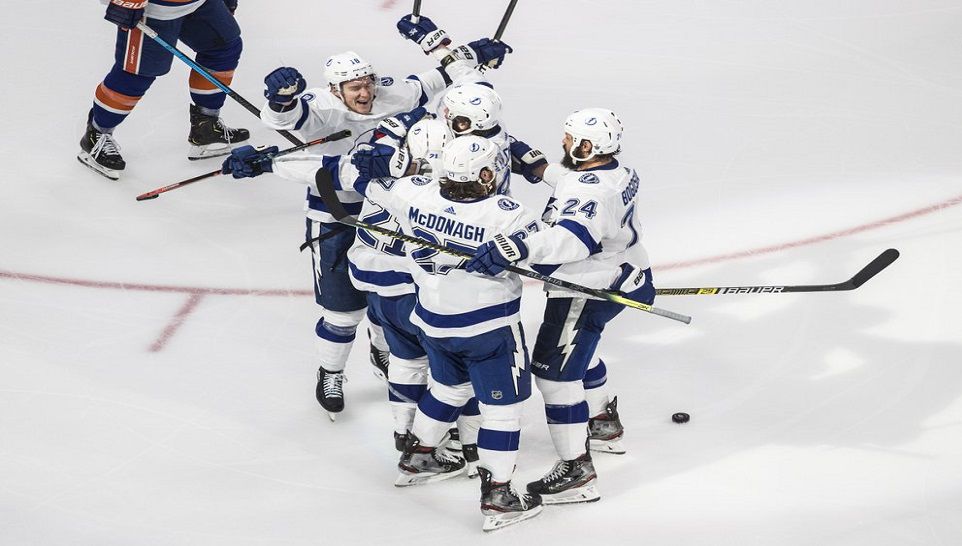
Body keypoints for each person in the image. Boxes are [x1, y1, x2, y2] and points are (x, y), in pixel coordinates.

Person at [227, 18, 513, 419]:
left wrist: (475, 55)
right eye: (354, 87)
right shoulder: (321, 109)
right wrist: (279, 104)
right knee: (342, 311)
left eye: (367, 83)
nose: (364, 93)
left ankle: (385, 351)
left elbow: (440, 77)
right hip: (337, 212)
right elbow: (289, 122)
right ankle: (331, 370)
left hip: (397, 214)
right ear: (334, 89)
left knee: (391, 301)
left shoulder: (393, 97)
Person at [348, 135, 544, 531]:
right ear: (487, 174)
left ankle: (418, 456)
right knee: (503, 413)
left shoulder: (415, 195)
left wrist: (370, 163)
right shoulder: (509, 213)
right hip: (488, 330)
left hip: (434, 324)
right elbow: (550, 255)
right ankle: (500, 497)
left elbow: (361, 180)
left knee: (448, 390)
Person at [465, 108, 657, 505]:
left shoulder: (589, 193)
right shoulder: (614, 172)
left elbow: (574, 240)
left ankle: (577, 472)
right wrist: (538, 166)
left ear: (588, 146)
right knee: (580, 352)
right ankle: (602, 421)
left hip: (589, 287)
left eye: (571, 140)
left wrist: (518, 246)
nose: (565, 143)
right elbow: (577, 181)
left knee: (554, 374)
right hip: (621, 270)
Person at [79, 0, 250, 180]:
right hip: (155, 9)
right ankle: (97, 134)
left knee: (223, 48)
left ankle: (206, 125)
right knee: (137, 74)